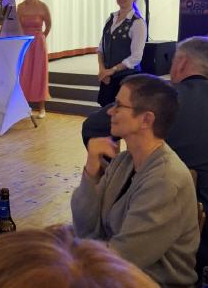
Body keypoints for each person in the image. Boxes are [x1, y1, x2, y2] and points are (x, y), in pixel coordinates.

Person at [83, 35, 208, 277]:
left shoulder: (163, 100)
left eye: (119, 106)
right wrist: (93, 173)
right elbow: (88, 226)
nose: (112, 112)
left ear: (181, 63)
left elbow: (124, 258)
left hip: (155, 263)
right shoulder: (126, 163)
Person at [0, 226, 158, 288]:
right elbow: (86, 223)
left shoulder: (163, 179)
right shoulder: (120, 165)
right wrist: (91, 173)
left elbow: (130, 250)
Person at [97, 0, 147, 107]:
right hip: (108, 77)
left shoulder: (138, 23)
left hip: (126, 79)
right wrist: (103, 70)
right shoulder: (110, 19)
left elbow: (136, 57)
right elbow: (101, 48)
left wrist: (112, 70)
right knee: (106, 112)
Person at [17, 0, 51, 119]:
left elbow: (48, 25)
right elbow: (18, 26)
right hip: (25, 42)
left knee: (39, 72)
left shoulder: (42, 6)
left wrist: (40, 37)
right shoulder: (20, 7)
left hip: (38, 43)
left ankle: (42, 108)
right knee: (24, 72)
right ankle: (24, 106)